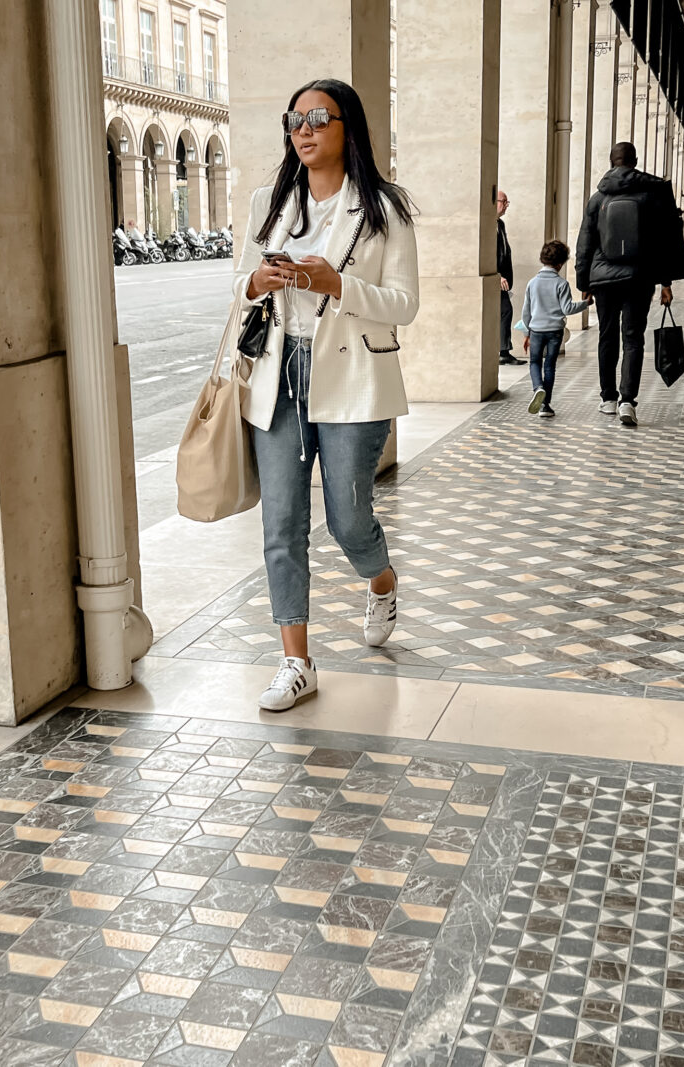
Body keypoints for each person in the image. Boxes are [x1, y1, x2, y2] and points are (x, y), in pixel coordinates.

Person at [233, 78, 419, 712]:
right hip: (277, 372)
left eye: (318, 118)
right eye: (295, 120)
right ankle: (296, 661)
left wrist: (338, 283)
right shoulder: (269, 201)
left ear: (348, 127)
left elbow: (405, 304)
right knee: (281, 522)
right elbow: (240, 288)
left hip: (355, 377)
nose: (304, 130)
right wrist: (257, 280)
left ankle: (383, 579)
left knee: (346, 517)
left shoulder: (384, 210)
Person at [575, 141, 684, 427]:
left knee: (607, 337)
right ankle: (628, 401)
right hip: (639, 277)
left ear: (611, 161)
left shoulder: (598, 198)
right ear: (634, 161)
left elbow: (585, 243)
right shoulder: (653, 194)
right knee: (633, 338)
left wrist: (583, 280)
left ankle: (608, 398)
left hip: (603, 279)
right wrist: (666, 281)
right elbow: (666, 240)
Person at [520, 240, 592, 418]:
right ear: (560, 264)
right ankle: (545, 406)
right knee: (550, 365)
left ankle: (538, 388)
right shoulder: (562, 284)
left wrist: (526, 333)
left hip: (536, 330)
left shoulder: (532, 283)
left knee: (535, 362)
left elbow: (526, 312)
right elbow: (567, 309)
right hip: (555, 331)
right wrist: (585, 304)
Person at [497, 191, 527, 366]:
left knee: (505, 311)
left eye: (508, 202)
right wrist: (497, 276)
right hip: (497, 279)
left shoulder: (500, 224)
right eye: (504, 201)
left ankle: (503, 350)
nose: (506, 205)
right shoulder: (487, 224)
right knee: (505, 310)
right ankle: (502, 351)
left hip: (504, 281)